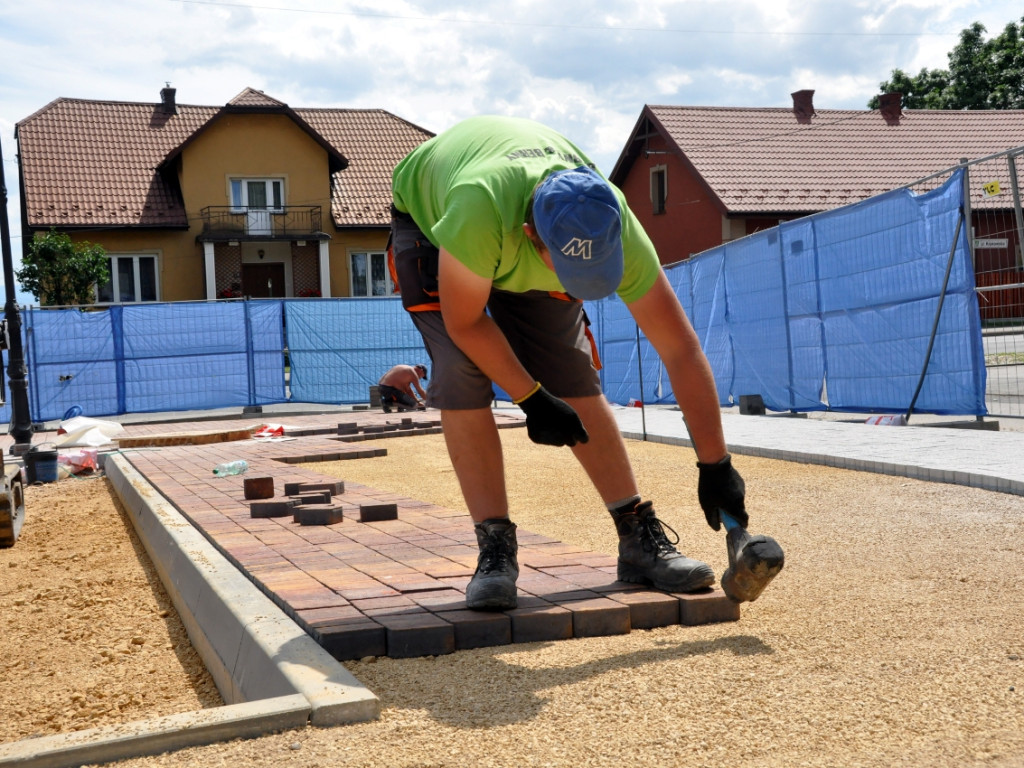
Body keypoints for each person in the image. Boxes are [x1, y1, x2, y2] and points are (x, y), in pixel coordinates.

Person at [390, 115, 782, 610]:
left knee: (573, 376)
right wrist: (531, 399)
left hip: (519, 232)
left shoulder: (609, 215)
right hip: (434, 226)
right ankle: (496, 549)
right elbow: (467, 322)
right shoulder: (478, 209)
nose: (586, 283)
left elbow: (680, 349)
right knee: (463, 371)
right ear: (534, 238)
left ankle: (637, 539)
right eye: (575, 269)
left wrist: (716, 464)